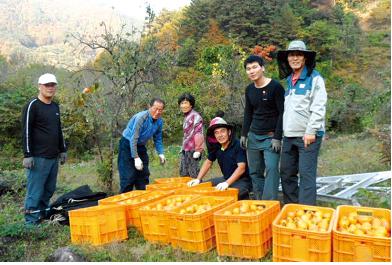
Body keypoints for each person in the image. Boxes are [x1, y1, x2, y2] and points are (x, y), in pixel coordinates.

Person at [277, 40, 327, 205]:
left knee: (306, 174)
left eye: (299, 54)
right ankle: (293, 208)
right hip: (290, 136)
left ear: (305, 58)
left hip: (308, 136)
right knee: (286, 172)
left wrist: (311, 131)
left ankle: (307, 211)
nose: (295, 58)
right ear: (287, 58)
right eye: (292, 55)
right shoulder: (289, 80)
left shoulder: (315, 78)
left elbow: (319, 107)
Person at [22, 73, 67, 225]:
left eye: (52, 85)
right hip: (38, 157)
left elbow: (58, 129)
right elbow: (26, 131)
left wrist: (63, 149)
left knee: (49, 190)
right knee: (35, 192)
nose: (50, 88)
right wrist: (27, 154)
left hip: (53, 157)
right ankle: (31, 222)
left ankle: (41, 215)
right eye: (47, 85)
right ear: (39, 86)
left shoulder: (55, 106)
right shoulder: (32, 106)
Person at [241, 55, 285, 200]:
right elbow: (248, 112)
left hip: (271, 136)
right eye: (248, 69)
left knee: (272, 169)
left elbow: (282, 113)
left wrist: (277, 137)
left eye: (254, 67)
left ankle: (269, 203)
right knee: (255, 171)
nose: (251, 71)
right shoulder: (249, 90)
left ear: (262, 68)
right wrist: (244, 134)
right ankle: (259, 201)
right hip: (253, 136)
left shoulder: (276, 87)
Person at [187, 116, 252, 200]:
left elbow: (241, 168)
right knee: (202, 187)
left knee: (226, 195)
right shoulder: (217, 146)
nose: (220, 135)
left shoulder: (237, 144)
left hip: (243, 180)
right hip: (226, 178)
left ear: (229, 132)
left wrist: (226, 183)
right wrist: (198, 179)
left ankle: (248, 196)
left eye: (222, 131)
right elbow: (208, 162)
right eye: (216, 133)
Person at [118, 98, 166, 193]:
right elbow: (133, 138)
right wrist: (135, 157)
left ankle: (142, 199)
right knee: (128, 177)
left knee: (143, 176)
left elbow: (158, 138)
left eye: (160, 110)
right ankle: (124, 201)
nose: (157, 112)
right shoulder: (141, 118)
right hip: (127, 144)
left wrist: (161, 153)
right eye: (155, 109)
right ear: (150, 107)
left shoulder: (159, 121)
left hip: (140, 146)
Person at [178, 93, 205, 178]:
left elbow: (198, 132)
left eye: (186, 103)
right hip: (186, 150)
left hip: (193, 150)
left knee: (194, 175)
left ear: (191, 104)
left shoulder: (195, 116)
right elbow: (186, 135)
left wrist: (198, 150)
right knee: (184, 174)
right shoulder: (186, 116)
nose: (183, 105)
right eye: (182, 103)